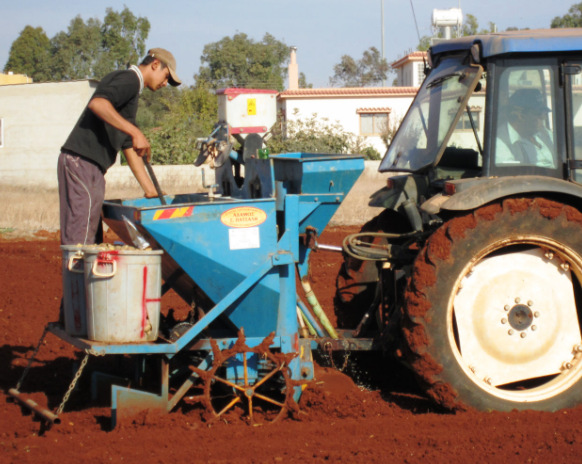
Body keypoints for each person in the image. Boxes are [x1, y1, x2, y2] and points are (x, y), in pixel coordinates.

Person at [57, 48, 181, 246]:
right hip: (82, 162)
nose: (165, 83)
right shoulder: (129, 79)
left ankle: (85, 276)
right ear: (155, 64)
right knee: (80, 238)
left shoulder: (131, 94)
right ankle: (76, 276)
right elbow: (97, 104)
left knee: (90, 235)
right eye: (166, 77)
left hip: (91, 166)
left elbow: (128, 147)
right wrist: (136, 132)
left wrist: (150, 190)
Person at [495, 88, 556, 168]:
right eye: (538, 113)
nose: (543, 117)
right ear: (520, 115)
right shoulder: (501, 144)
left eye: (544, 113)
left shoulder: (544, 133)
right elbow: (512, 178)